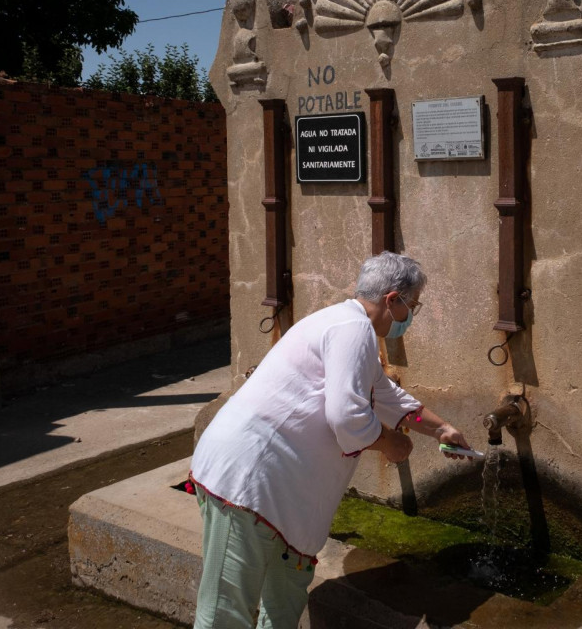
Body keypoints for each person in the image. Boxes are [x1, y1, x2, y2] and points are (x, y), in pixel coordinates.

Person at [189, 251, 471, 628]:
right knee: (225, 611)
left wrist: (442, 429)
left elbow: (386, 395)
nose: (410, 317)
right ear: (392, 300)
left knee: (285, 598)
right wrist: (391, 443)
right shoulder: (351, 330)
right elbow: (346, 415)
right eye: (412, 306)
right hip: (247, 480)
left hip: (279, 489)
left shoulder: (349, 328)